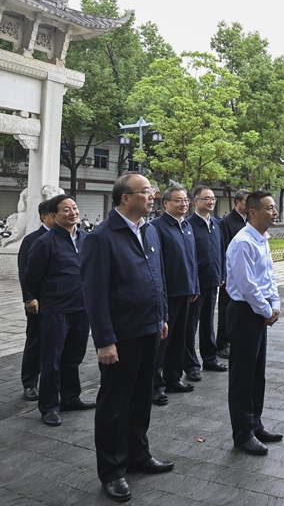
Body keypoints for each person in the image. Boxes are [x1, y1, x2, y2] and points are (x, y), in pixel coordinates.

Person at [81, 173, 172, 503]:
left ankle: (138, 455)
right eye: (145, 192)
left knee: (141, 398)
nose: (152, 196)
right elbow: (95, 294)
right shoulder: (102, 238)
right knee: (114, 404)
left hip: (149, 328)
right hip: (120, 336)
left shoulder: (149, 230)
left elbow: (156, 277)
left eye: (151, 191)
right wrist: (104, 340)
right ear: (125, 198)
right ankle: (111, 471)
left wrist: (161, 316)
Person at [24, 194, 94, 426]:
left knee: (73, 357)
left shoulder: (86, 239)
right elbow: (31, 276)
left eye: (74, 208)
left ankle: (71, 398)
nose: (73, 213)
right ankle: (49, 406)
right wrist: (32, 298)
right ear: (53, 216)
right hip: (56, 310)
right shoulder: (44, 242)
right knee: (51, 361)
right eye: (66, 210)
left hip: (82, 308)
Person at [225, 190, 283, 455]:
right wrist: (264, 309)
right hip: (244, 312)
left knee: (257, 373)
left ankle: (254, 422)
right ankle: (242, 433)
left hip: (258, 312)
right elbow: (247, 285)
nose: (274, 212)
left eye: (274, 208)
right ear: (252, 212)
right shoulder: (242, 242)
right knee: (242, 375)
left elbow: (268, 275)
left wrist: (275, 304)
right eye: (269, 208)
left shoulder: (262, 238)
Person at [150, 184, 200, 405]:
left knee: (180, 338)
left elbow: (192, 260)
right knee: (163, 342)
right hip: (167, 293)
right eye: (178, 200)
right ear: (166, 203)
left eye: (186, 200)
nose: (184, 204)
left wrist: (194, 285)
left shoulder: (187, 226)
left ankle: (173, 377)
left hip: (186, 291)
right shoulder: (157, 227)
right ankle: (155, 385)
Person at [184, 186, 227, 380]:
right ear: (195, 201)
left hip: (212, 281)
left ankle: (210, 359)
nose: (211, 202)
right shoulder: (188, 225)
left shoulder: (217, 224)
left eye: (213, 198)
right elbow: (187, 257)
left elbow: (221, 251)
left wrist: (222, 273)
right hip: (195, 284)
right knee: (190, 325)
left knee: (208, 322)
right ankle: (191, 364)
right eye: (206, 198)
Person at [17, 199, 53, 401]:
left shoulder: (71, 237)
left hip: (63, 302)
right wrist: (29, 298)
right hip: (39, 302)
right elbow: (25, 272)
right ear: (45, 217)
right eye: (55, 213)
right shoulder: (32, 240)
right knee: (36, 341)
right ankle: (30, 382)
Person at [217, 188, 249, 360]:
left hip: (244, 274)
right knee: (225, 309)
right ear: (238, 202)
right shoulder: (227, 222)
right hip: (230, 275)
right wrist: (223, 274)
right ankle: (222, 343)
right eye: (246, 201)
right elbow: (223, 249)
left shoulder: (248, 221)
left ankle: (235, 340)